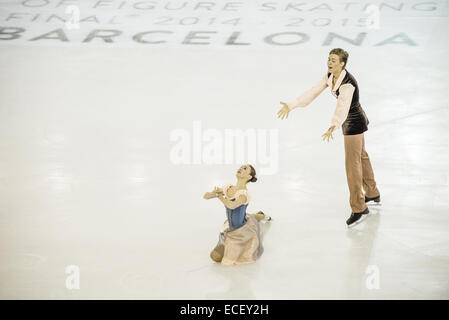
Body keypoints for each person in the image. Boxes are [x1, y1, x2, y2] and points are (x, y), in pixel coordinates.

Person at [277, 48, 380, 227]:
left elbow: (343, 105)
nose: (329, 63)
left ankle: (359, 207)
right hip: (350, 119)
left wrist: (334, 125)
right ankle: (372, 192)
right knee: (361, 156)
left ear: (342, 63)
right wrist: (292, 104)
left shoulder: (347, 83)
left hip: (353, 122)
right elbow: (313, 91)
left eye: (333, 60)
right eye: (329, 59)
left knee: (352, 165)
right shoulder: (330, 76)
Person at [203, 164, 271, 265]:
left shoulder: (244, 194)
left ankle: (262, 216)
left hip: (242, 231)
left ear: (249, 177)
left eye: (245, 169)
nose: (240, 168)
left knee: (226, 262)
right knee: (215, 257)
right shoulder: (229, 188)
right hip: (231, 229)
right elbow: (206, 196)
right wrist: (214, 193)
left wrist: (220, 196)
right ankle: (257, 215)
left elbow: (231, 205)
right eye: (241, 167)